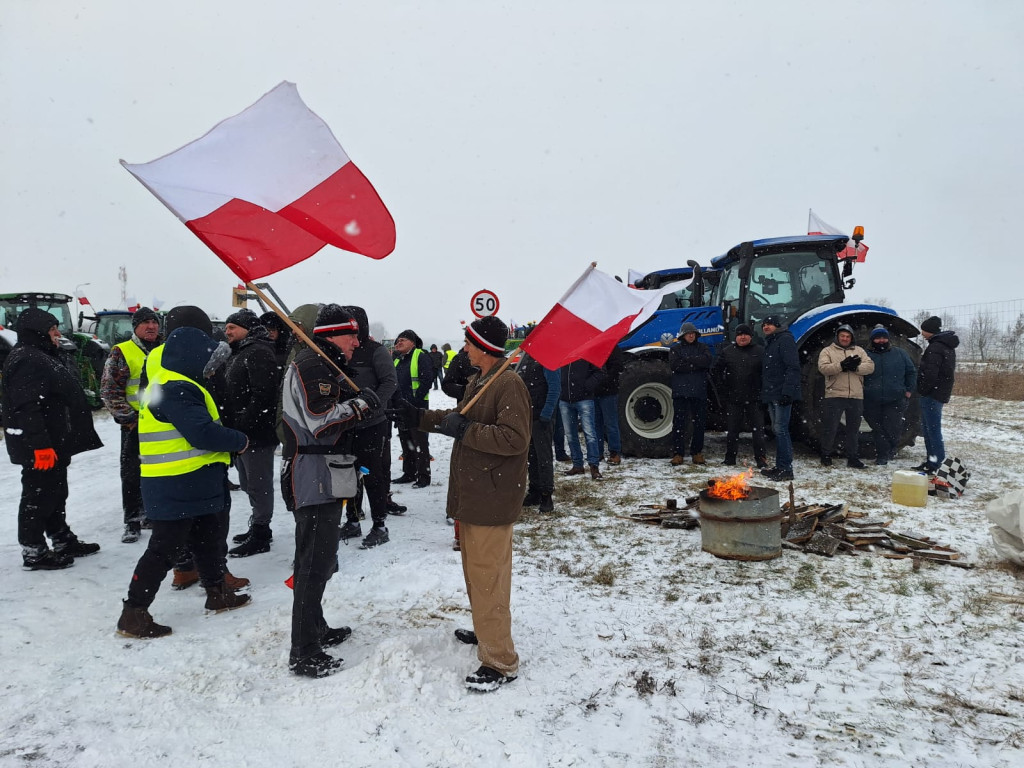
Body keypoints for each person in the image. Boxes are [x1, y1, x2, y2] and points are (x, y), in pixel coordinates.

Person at [391, 316, 530, 692]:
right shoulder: (479, 380)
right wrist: (417, 416)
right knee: (477, 573)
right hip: (475, 494)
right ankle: (487, 633)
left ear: (484, 346)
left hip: (492, 496)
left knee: (489, 577)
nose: (464, 349)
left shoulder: (508, 383)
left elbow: (515, 438)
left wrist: (466, 431)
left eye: (468, 343)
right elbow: (457, 419)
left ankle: (500, 660)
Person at [115, 326, 251, 638]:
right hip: (175, 484)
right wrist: (239, 440)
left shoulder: (179, 383)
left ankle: (217, 593)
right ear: (190, 357)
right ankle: (133, 613)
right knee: (163, 549)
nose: (211, 367)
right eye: (207, 360)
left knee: (208, 539)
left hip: (192, 482)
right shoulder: (175, 387)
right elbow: (202, 433)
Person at [279, 304, 382, 678]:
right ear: (333, 334)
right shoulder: (312, 365)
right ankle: (303, 650)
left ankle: (315, 627)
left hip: (322, 469)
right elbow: (320, 422)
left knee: (321, 558)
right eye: (352, 334)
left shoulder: (324, 364)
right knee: (312, 563)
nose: (358, 341)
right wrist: (360, 406)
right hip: (312, 470)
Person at [3, 308, 103, 570]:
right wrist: (41, 446)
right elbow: (27, 407)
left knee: (55, 493)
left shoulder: (42, 355)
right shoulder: (27, 359)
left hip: (54, 442)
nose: (57, 334)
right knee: (38, 496)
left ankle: (62, 539)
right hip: (40, 446)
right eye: (52, 329)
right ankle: (34, 550)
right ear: (37, 331)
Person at [221, 309, 282, 557]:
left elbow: (263, 395)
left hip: (256, 434)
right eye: (226, 328)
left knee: (259, 484)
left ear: (247, 328)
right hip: (241, 433)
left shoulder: (258, 353)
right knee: (247, 483)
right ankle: (257, 522)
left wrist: (243, 424)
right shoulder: (240, 353)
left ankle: (261, 533)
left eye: (232, 327)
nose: (228, 332)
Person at [100, 306, 162, 543]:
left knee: (157, 471)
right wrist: (129, 420)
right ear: (135, 327)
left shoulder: (164, 349)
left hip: (161, 424)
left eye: (154, 322)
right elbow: (109, 391)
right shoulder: (122, 351)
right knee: (132, 473)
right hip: (135, 425)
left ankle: (152, 513)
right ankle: (133, 520)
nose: (151, 326)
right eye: (145, 322)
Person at [340, 305, 398, 549]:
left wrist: (370, 405)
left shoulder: (376, 351)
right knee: (347, 475)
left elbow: (389, 382)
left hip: (372, 425)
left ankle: (380, 524)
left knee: (373, 475)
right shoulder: (340, 351)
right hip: (344, 424)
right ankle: (353, 520)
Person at [817, 323, 875, 468]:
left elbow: (870, 367)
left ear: (851, 338)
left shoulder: (859, 351)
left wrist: (855, 367)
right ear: (837, 337)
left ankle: (853, 458)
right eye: (842, 336)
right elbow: (823, 368)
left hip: (855, 395)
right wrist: (841, 366)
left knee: (853, 430)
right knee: (830, 427)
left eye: (847, 336)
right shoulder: (827, 351)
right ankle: (826, 455)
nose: (845, 338)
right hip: (834, 394)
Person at [712, 324, 767, 467]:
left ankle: (761, 459)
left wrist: (763, 393)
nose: (742, 337)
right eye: (739, 334)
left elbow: (767, 374)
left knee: (758, 432)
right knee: (732, 431)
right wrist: (723, 391)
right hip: (733, 398)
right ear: (735, 337)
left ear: (751, 336)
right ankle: (730, 458)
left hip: (755, 398)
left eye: (745, 334)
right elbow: (716, 372)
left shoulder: (760, 352)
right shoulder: (727, 352)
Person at [864, 325, 917, 466]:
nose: (881, 341)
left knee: (892, 427)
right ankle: (884, 453)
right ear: (872, 340)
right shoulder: (866, 355)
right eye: (878, 338)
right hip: (871, 399)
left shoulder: (900, 353)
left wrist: (908, 390)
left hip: (895, 398)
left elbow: (911, 372)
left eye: (884, 337)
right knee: (877, 427)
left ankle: (889, 450)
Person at [517, 347, 561, 513]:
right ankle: (534, 491)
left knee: (543, 458)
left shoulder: (548, 358)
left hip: (542, 417)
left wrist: (546, 413)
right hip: (528, 417)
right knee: (531, 457)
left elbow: (554, 388)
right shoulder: (526, 359)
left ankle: (546, 494)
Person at [914, 316, 959, 472]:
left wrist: (922, 390)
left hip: (932, 395)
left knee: (932, 430)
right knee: (929, 430)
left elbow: (930, 373)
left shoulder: (935, 348)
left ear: (929, 331)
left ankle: (937, 464)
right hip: (938, 393)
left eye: (923, 330)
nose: (921, 333)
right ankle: (931, 461)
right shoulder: (945, 346)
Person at [760, 316, 802, 481]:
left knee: (781, 429)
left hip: (781, 393)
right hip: (772, 393)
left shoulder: (785, 340)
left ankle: (786, 468)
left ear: (777, 326)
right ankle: (780, 467)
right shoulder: (771, 342)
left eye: (769, 324)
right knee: (777, 430)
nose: (765, 326)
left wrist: (787, 392)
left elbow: (793, 367)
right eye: (764, 324)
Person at [392, 329, 434, 488]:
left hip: (418, 408)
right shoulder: (397, 360)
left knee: (420, 443)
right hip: (401, 409)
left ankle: (423, 476)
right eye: (397, 340)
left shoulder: (420, 356)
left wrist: (414, 402)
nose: (398, 342)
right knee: (406, 442)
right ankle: (409, 473)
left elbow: (427, 380)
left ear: (413, 342)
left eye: (403, 339)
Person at [669, 322, 712, 466]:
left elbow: (706, 361)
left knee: (699, 424)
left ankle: (697, 452)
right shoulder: (675, 349)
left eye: (693, 333)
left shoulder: (703, 348)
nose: (691, 335)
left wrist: (687, 361)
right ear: (683, 335)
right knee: (679, 423)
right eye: (688, 333)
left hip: (699, 391)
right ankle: (678, 453)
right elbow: (675, 365)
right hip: (681, 392)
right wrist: (696, 363)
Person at [559, 359, 605, 479]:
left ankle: (594, 466)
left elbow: (599, 372)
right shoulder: (563, 354)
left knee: (589, 434)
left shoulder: (586, 353)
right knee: (570, 435)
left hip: (584, 398)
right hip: (565, 399)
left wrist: (586, 386)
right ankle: (578, 464)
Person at [593, 346, 625, 465]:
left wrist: (603, 379)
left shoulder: (613, 348)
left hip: (608, 391)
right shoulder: (594, 348)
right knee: (597, 424)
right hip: (596, 391)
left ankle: (615, 452)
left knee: (610, 424)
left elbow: (617, 367)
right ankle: (598, 452)